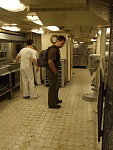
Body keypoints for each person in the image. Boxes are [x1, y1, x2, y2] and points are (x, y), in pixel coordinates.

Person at [46, 35, 66, 108]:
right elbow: (50, 61)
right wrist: (54, 71)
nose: (62, 45)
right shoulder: (53, 50)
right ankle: (51, 104)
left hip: (54, 70)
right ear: (57, 41)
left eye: (63, 43)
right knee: (52, 87)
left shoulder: (56, 49)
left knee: (56, 86)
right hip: (51, 71)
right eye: (62, 43)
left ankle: (55, 99)